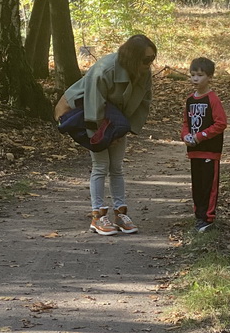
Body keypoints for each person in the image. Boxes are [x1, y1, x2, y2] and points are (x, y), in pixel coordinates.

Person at [59, 34, 157, 235]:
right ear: (132, 57)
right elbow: (93, 106)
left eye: (152, 59)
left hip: (115, 117)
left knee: (117, 166)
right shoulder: (105, 70)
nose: (150, 64)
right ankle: (97, 216)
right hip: (80, 112)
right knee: (101, 165)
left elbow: (142, 103)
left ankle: (120, 213)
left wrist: (123, 130)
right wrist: (103, 135)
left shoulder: (143, 73)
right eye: (146, 60)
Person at [181, 57, 227, 233]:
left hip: (210, 150)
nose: (195, 79)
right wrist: (185, 136)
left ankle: (208, 217)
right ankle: (198, 215)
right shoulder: (189, 100)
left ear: (209, 77)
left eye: (200, 75)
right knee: (197, 184)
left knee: (209, 184)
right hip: (194, 151)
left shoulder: (212, 99)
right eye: (192, 75)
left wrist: (201, 136)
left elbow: (221, 123)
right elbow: (186, 122)